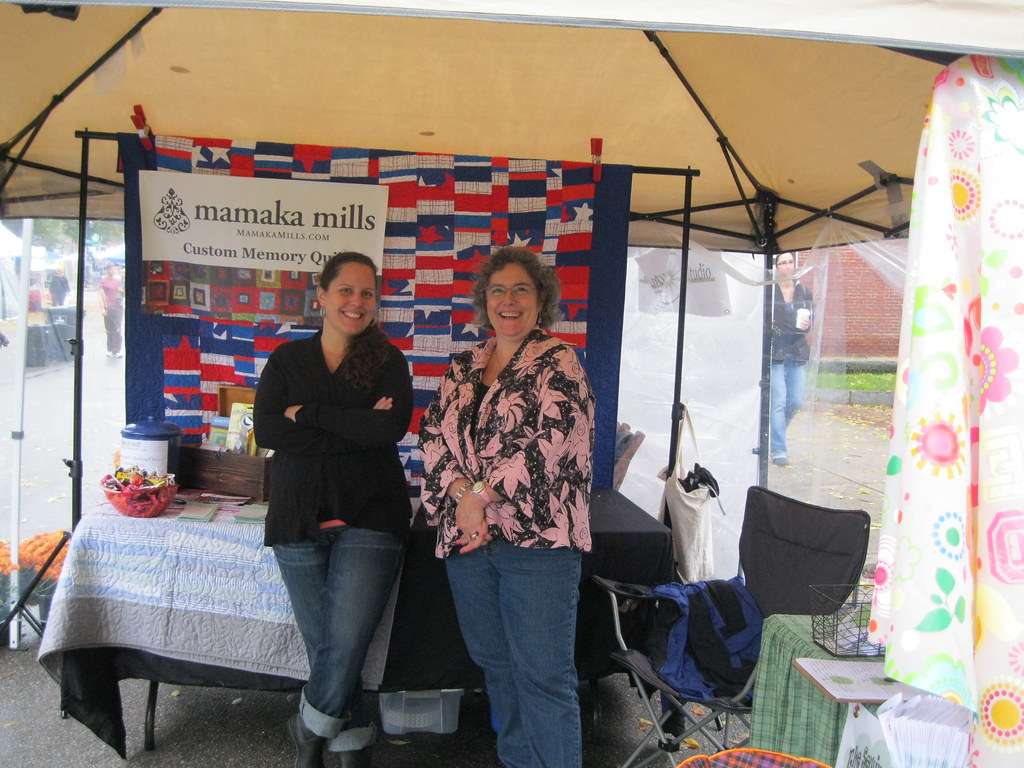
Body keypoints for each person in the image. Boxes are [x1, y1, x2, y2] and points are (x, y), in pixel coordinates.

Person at [418, 246, 596, 768]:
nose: (508, 300)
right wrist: (461, 496)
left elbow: (553, 444)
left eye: (521, 289)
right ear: (484, 301)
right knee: (497, 667)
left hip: (539, 547)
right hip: (470, 544)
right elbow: (433, 439)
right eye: (497, 290)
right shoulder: (462, 366)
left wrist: (480, 495)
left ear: (542, 299)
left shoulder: (559, 361)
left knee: (543, 676)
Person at [253, 252, 413, 768]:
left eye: (367, 293)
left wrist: (313, 416)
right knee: (328, 643)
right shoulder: (286, 360)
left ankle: (308, 726)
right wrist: (354, 425)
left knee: (344, 640)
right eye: (346, 290)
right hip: (296, 515)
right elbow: (270, 431)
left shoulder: (389, 361)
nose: (357, 302)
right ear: (320, 295)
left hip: (372, 515)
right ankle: (350, 743)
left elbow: (388, 430)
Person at [769, 252, 813, 466]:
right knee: (777, 401)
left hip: (796, 351)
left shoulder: (803, 290)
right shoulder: (769, 291)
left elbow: (809, 320)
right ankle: (778, 450)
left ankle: (772, 434)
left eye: (790, 262)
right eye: (782, 262)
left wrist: (807, 324)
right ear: (776, 267)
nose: (787, 266)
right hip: (775, 351)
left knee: (794, 401)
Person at [98, 264, 124, 358]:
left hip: (117, 307)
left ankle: (116, 350)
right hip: (108, 307)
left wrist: (122, 291)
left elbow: (122, 292)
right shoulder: (103, 282)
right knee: (109, 328)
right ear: (108, 270)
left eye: (114, 269)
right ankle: (110, 349)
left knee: (117, 328)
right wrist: (102, 308)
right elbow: (100, 295)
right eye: (112, 269)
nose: (113, 271)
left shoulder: (117, 281)